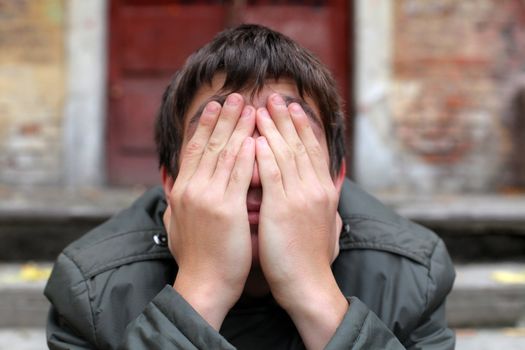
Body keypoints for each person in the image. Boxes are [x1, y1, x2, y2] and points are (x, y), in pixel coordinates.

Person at [45, 24, 455, 349]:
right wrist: (203, 288)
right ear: (170, 181)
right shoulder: (92, 292)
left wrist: (314, 292)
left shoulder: (411, 276)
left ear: (336, 178)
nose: (256, 174)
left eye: (286, 143)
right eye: (221, 144)